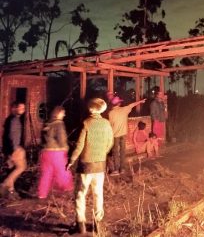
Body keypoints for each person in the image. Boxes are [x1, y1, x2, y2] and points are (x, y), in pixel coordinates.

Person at [67, 98, 113, 234]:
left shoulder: (86, 123)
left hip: (86, 166)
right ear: (102, 109)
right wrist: (101, 153)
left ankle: (80, 224)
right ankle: (97, 224)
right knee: (98, 194)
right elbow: (110, 142)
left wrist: (71, 160)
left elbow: (79, 145)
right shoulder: (106, 123)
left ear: (90, 109)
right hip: (100, 165)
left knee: (80, 194)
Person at [37, 106, 73, 199]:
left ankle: (42, 194)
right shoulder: (59, 124)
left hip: (45, 152)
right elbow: (62, 139)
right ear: (58, 113)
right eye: (63, 113)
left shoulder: (47, 123)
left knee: (46, 173)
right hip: (56, 153)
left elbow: (42, 139)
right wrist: (66, 148)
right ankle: (68, 191)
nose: (64, 115)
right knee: (63, 171)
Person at [108, 96, 146, 176]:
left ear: (112, 104)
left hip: (115, 135)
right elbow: (132, 104)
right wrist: (141, 101)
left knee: (115, 152)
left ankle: (116, 169)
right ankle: (122, 169)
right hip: (123, 134)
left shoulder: (110, 113)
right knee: (122, 151)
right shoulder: (124, 110)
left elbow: (110, 125)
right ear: (119, 103)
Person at [0, 102, 26, 197]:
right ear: (14, 108)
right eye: (20, 107)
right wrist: (14, 150)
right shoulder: (14, 120)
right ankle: (4, 184)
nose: (23, 109)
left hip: (10, 148)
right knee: (21, 167)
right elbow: (11, 136)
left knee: (12, 169)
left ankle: (11, 190)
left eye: (24, 107)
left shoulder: (11, 119)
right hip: (14, 148)